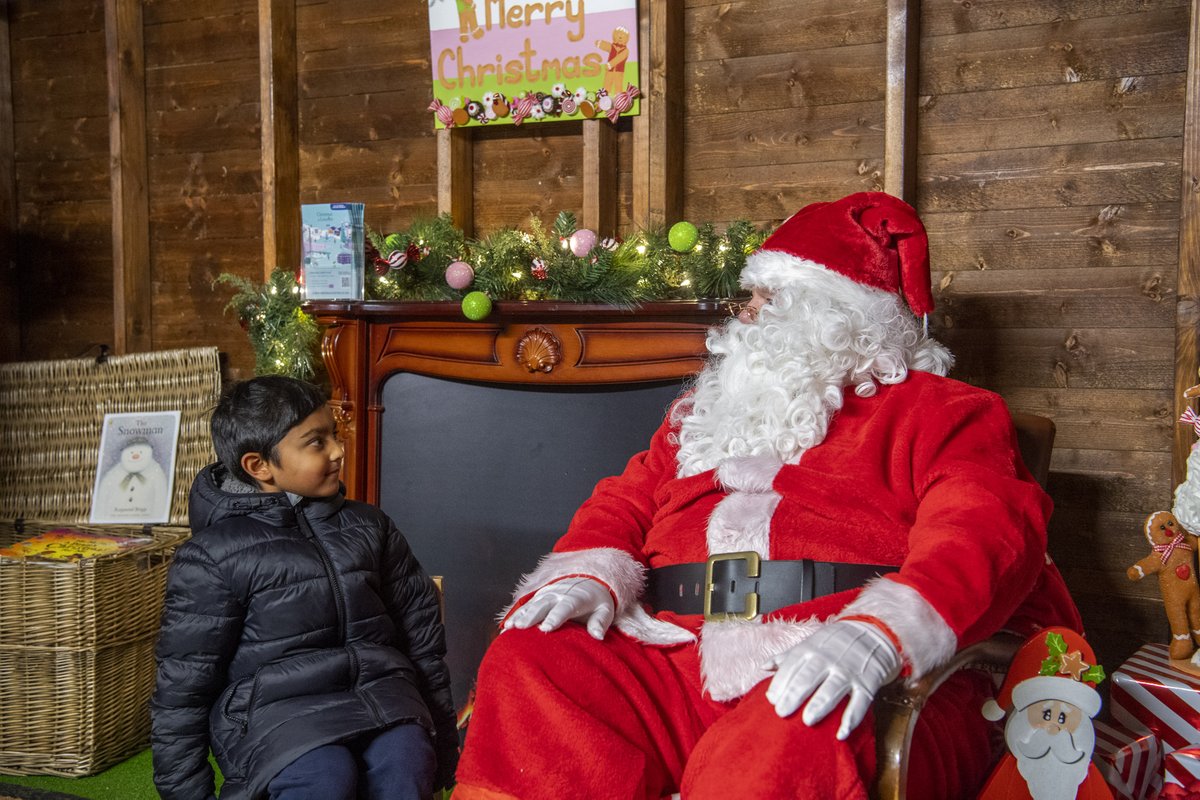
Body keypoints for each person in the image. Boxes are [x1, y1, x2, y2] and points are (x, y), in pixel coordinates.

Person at [452, 192, 1085, 799]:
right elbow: (625, 502)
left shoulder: (943, 412)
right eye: (748, 296)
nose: (745, 313)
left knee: (786, 735)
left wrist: (880, 634)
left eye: (768, 296)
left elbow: (985, 531)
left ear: (842, 313)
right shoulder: (703, 416)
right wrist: (591, 570)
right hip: (679, 653)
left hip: (842, 655)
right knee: (532, 661)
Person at [150, 376, 458, 800]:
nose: (338, 450)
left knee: (406, 763)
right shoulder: (213, 557)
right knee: (324, 776)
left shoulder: (371, 526)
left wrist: (445, 748)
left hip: (383, 697)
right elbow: (182, 687)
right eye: (316, 442)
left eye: (334, 434)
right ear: (260, 467)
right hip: (277, 714)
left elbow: (423, 641)